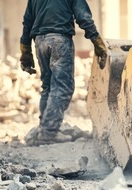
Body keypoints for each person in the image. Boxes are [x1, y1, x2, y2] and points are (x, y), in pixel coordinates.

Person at [19, 0, 107, 145]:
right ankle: (49, 132)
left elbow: (27, 22)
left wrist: (25, 51)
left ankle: (44, 129)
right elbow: (83, 16)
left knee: (48, 86)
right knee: (62, 87)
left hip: (40, 42)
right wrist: (96, 40)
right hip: (59, 40)